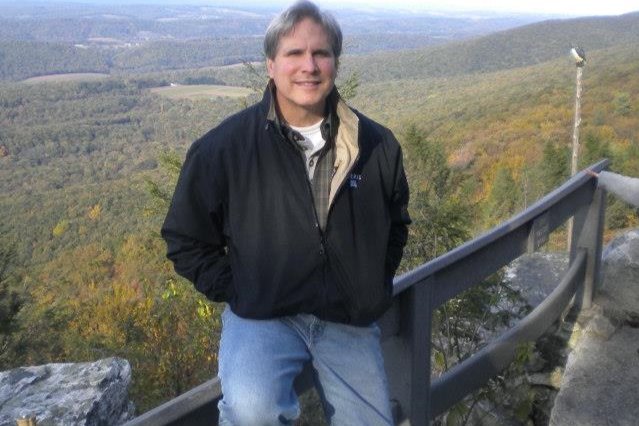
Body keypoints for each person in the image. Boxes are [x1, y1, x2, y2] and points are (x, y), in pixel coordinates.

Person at [161, 1, 411, 424]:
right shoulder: (224, 148)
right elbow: (185, 239)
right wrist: (242, 288)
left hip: (348, 318)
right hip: (263, 315)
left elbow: (395, 226)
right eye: (294, 53)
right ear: (271, 65)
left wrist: (368, 283)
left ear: (335, 63)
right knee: (251, 410)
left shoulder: (376, 145)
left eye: (321, 53)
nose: (308, 66)